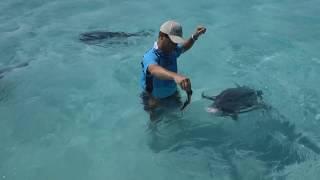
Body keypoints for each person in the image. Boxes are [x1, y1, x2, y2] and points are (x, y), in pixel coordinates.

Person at [140, 20, 206, 121]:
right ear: (162, 36)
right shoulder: (150, 56)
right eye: (172, 42)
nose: (175, 45)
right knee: (155, 123)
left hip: (172, 95)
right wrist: (176, 76)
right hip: (153, 99)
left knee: (178, 119)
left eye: (176, 42)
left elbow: (184, 47)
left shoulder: (172, 51)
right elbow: (154, 69)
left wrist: (195, 36)